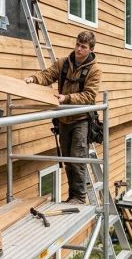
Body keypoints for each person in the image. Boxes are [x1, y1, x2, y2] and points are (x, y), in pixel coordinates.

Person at [24, 31, 101, 204]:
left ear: (91, 49)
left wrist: (67, 98)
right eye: (77, 45)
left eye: (83, 47)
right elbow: (47, 75)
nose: (79, 49)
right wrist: (34, 79)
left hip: (80, 119)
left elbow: (89, 96)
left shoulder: (94, 70)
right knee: (67, 158)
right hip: (63, 119)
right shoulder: (63, 63)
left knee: (77, 158)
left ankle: (79, 197)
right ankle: (72, 196)